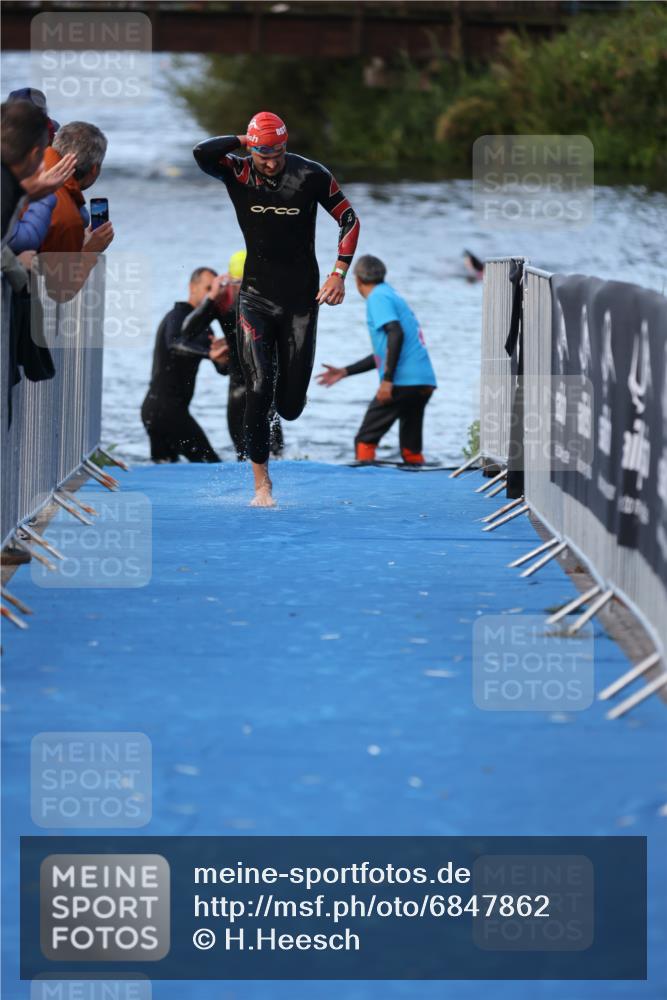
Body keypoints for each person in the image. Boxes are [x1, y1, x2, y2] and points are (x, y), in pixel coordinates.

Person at [193, 110, 359, 506]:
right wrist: (244, 139)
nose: (271, 162)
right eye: (264, 154)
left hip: (302, 301)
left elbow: (349, 219)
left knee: (289, 406)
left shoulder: (310, 175)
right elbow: (201, 153)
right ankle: (261, 485)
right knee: (258, 385)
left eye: (278, 152)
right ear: (252, 149)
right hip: (255, 297)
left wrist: (338, 273)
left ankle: (280, 388)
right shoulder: (236, 171)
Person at [317, 254, 437, 466]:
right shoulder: (391, 294)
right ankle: (418, 482)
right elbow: (386, 351)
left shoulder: (377, 298)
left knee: (365, 440)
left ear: (358, 280)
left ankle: (365, 488)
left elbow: (395, 334)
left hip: (401, 382)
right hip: (423, 381)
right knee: (410, 446)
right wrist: (346, 371)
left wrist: (387, 381)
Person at [181, 249, 283, 461]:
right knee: (243, 454)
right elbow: (187, 331)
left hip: (266, 384)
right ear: (229, 282)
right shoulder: (221, 301)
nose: (246, 290)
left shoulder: (269, 298)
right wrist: (210, 298)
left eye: (252, 283)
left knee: (274, 452)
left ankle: (271, 488)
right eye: (239, 284)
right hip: (238, 387)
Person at [141, 268, 230, 463]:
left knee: (166, 470)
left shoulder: (204, 326)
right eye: (208, 288)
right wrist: (208, 353)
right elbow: (174, 345)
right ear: (192, 287)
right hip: (163, 409)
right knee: (211, 464)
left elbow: (222, 369)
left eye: (214, 290)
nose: (211, 295)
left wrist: (225, 355)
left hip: (167, 411)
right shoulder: (177, 315)